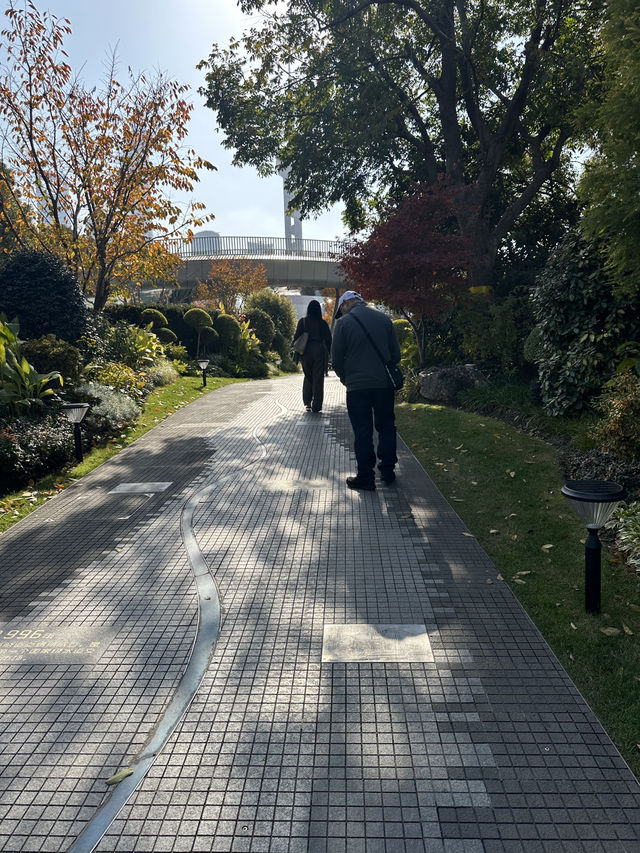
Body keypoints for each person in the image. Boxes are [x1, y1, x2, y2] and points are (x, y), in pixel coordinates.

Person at [331, 290, 401, 491]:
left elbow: (336, 360)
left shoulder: (343, 324)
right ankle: (387, 470)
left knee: (362, 432)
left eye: (341, 310)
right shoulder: (384, 320)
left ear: (345, 304)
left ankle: (366, 477)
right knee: (387, 427)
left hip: (357, 388)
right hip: (383, 386)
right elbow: (395, 354)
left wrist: (347, 378)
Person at [293, 299, 332, 413]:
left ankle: (308, 403)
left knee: (308, 376)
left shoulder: (303, 322)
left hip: (305, 352)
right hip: (319, 351)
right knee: (318, 378)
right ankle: (317, 405)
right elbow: (328, 339)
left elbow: (296, 337)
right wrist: (329, 353)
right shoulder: (322, 323)